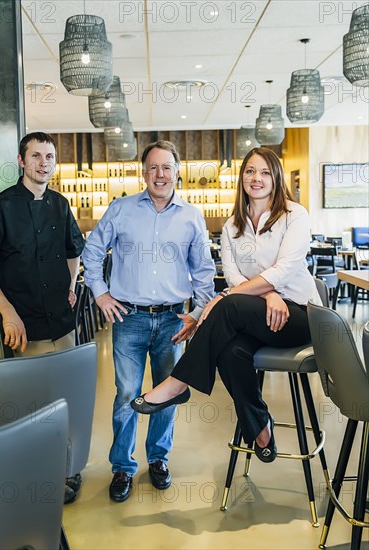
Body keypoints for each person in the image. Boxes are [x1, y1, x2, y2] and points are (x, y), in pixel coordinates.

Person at [131, 146, 322, 463]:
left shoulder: (294, 215)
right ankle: (260, 425)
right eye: (249, 171)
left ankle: (178, 383)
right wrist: (267, 293)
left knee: (227, 306)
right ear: (242, 177)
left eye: (263, 171)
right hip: (260, 314)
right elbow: (233, 277)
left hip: (300, 315)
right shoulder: (233, 226)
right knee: (230, 351)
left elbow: (285, 269)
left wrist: (226, 298)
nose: (256, 178)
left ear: (275, 176)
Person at [82, 140, 215, 502]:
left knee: (167, 394)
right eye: (153, 167)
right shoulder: (121, 209)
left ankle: (158, 459)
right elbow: (92, 251)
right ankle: (122, 467)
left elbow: (204, 271)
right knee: (126, 394)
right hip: (129, 318)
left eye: (166, 167)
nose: (160, 174)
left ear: (177, 172)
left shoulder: (191, 216)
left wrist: (197, 313)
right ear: (143, 172)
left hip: (174, 320)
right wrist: (100, 293)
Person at [0, 131, 85, 501]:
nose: (43, 163)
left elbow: (72, 250)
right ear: (21, 161)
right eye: (36, 156)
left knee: (68, 398)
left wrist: (72, 282)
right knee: (34, 404)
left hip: (62, 322)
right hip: (24, 326)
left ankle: (68, 470)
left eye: (49, 157)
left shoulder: (61, 205)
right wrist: (8, 311)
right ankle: (36, 473)